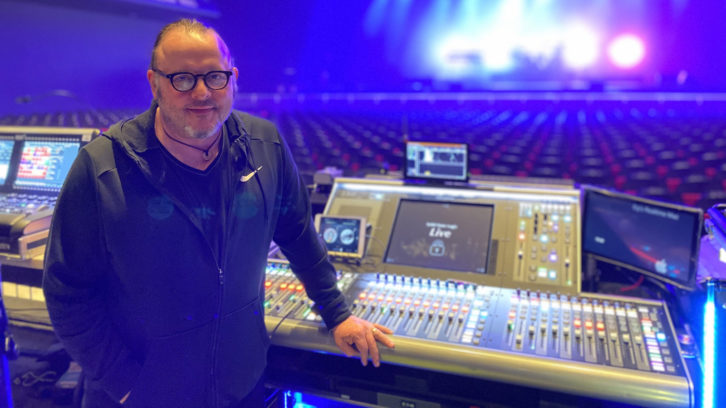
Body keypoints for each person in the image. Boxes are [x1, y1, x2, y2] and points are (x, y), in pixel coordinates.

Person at [42, 18, 394, 408]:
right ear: (154, 82)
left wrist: (337, 313)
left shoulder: (266, 145)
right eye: (182, 79)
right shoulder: (101, 166)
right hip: (139, 397)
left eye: (215, 77)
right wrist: (124, 383)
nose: (202, 93)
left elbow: (297, 234)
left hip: (240, 388)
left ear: (233, 79)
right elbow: (67, 293)